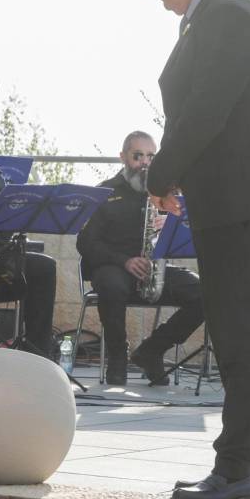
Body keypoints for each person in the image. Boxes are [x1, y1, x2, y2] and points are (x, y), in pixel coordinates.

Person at [141, 0, 250, 499]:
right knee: (235, 333)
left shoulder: (232, 11)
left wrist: (160, 174)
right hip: (229, 199)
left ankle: (236, 469)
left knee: (241, 334)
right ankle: (244, 469)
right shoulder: (215, 10)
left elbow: (205, 111)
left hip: (243, 200)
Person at [75, 131, 204, 385]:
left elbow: (184, 235)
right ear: (123, 157)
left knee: (204, 293)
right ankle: (117, 358)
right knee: (111, 285)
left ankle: (152, 351)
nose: (145, 163)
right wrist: (124, 260)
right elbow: (85, 242)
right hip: (114, 268)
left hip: (153, 268)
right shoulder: (105, 192)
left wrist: (169, 224)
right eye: (138, 156)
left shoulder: (166, 195)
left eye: (150, 157)